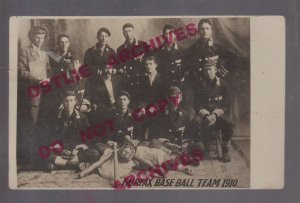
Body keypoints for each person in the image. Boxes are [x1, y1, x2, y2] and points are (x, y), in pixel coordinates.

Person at [18, 26, 52, 167]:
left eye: (42, 37)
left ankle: (42, 159)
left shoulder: (44, 54)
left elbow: (48, 71)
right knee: (31, 125)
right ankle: (30, 160)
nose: (40, 40)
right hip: (33, 94)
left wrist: (49, 78)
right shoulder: (25, 52)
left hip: (46, 95)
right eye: (37, 37)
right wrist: (37, 80)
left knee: (43, 125)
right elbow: (22, 72)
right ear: (32, 37)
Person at [189, 60, 233, 162]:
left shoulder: (224, 85)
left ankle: (225, 149)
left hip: (218, 112)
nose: (208, 72)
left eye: (210, 70)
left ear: (215, 70)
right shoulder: (200, 85)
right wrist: (206, 115)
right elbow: (196, 103)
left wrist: (215, 115)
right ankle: (201, 148)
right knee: (195, 122)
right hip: (205, 113)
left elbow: (227, 104)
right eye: (206, 70)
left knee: (228, 123)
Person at [183, 18, 236, 86]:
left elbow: (234, 57)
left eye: (207, 28)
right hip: (198, 85)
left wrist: (221, 71)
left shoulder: (217, 47)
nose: (205, 31)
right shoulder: (191, 50)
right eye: (202, 29)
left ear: (211, 31)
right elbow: (186, 68)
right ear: (198, 31)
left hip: (214, 83)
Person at [46, 91, 91, 170]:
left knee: (94, 153)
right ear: (62, 102)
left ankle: (59, 164)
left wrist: (78, 150)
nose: (69, 103)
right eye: (66, 100)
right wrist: (60, 150)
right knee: (42, 152)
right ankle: (73, 164)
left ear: (75, 102)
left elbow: (87, 138)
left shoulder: (83, 117)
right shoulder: (55, 117)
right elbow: (51, 137)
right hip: (60, 150)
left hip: (76, 151)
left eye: (71, 100)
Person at [48, 34, 88, 114]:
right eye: (61, 42)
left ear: (69, 43)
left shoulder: (74, 56)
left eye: (66, 42)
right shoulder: (52, 57)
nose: (64, 45)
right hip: (57, 90)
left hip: (71, 91)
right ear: (58, 44)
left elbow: (77, 75)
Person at [116, 23, 148, 106]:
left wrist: (143, 60)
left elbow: (151, 60)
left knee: (142, 106)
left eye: (130, 31)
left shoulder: (143, 45)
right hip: (128, 82)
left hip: (141, 81)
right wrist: (121, 69)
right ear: (123, 33)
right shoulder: (120, 49)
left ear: (133, 31)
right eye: (125, 32)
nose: (128, 34)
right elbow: (118, 65)